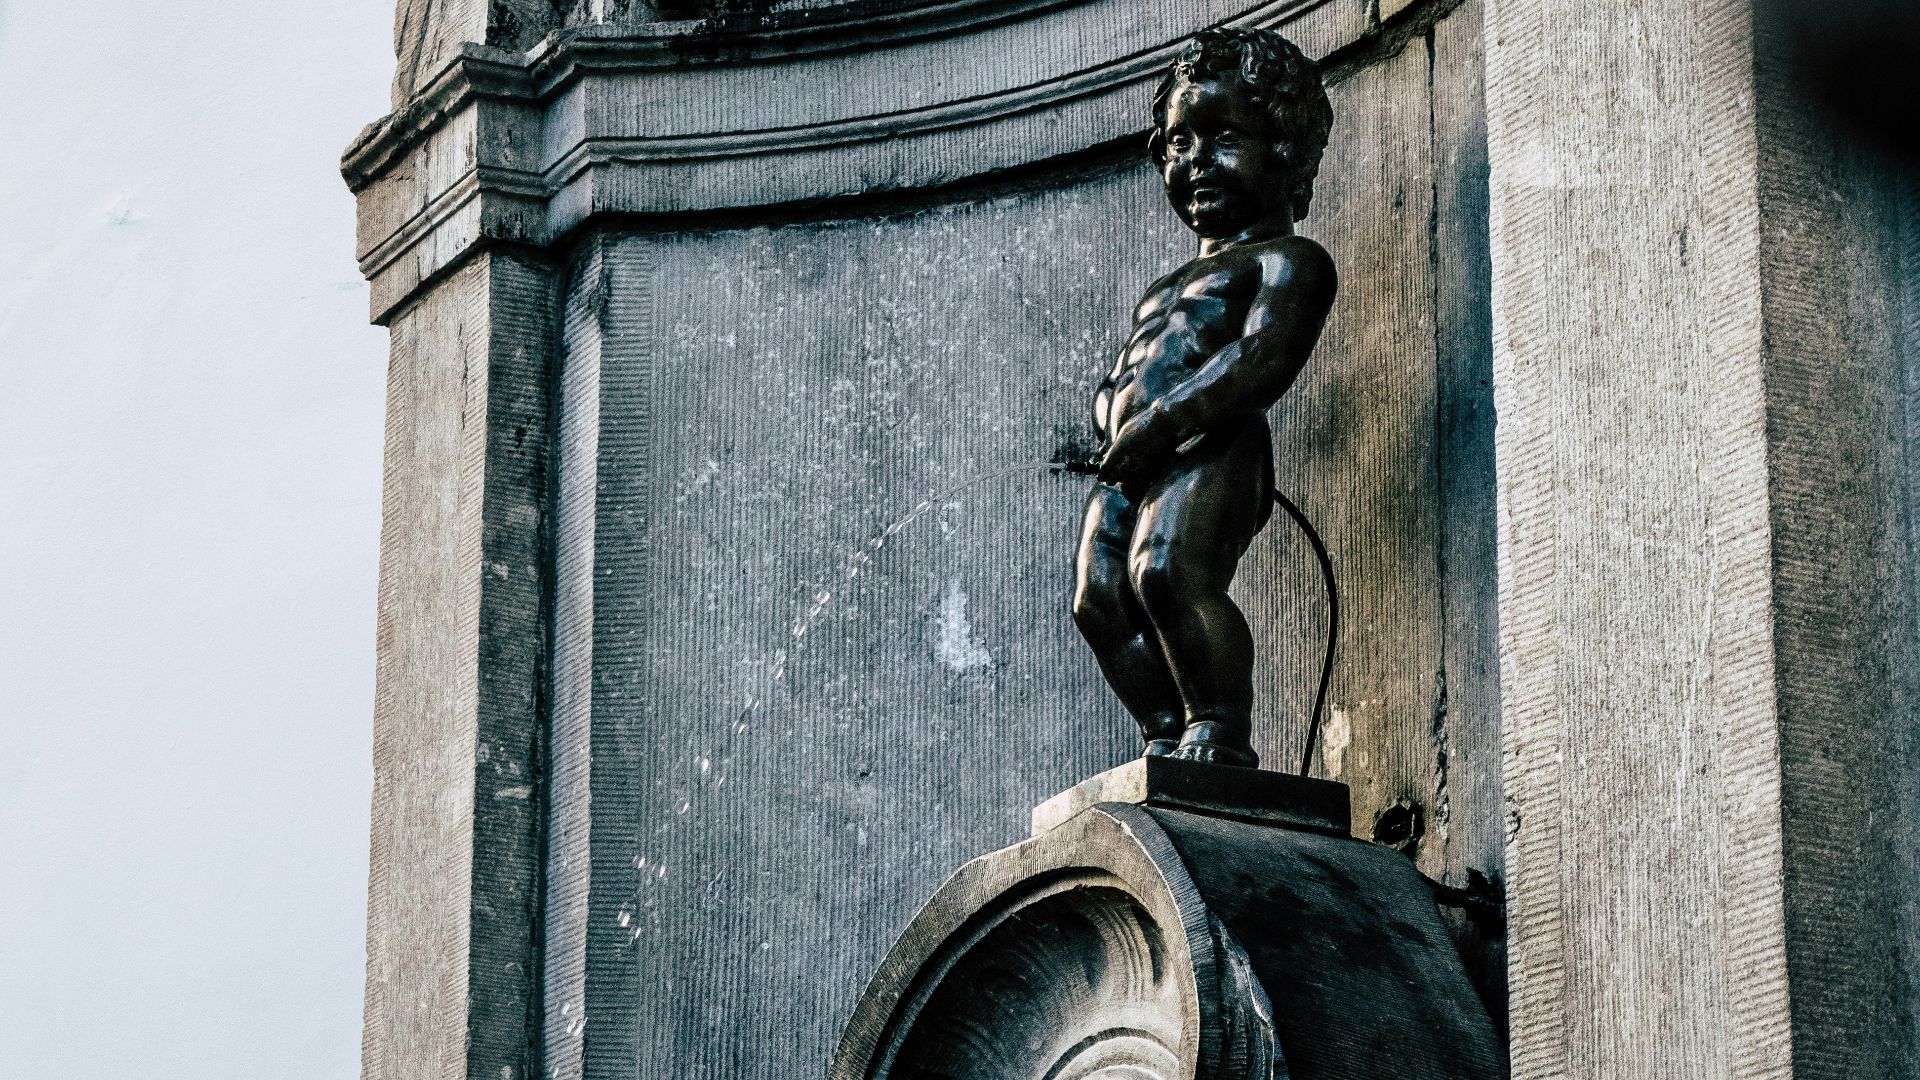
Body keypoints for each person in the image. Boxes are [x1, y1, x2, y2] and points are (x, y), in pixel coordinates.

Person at [1073, 26, 1337, 768]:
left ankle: (1217, 728)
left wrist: (1161, 424)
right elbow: (1131, 368)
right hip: (1136, 457)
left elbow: (1261, 359)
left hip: (1214, 445)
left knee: (1165, 572)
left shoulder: (1289, 261)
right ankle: (1165, 734)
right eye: (1179, 142)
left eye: (1222, 137)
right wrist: (1111, 415)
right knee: (1098, 597)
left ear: (1283, 149)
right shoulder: (1162, 289)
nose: (1195, 162)